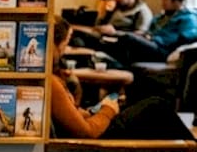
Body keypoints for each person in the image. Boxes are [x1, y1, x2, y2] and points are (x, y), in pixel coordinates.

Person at [49, 17, 191, 141]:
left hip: (96, 127)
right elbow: (87, 133)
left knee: (139, 105)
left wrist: (96, 111)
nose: (66, 48)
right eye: (66, 42)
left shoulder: (53, 79)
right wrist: (107, 110)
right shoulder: (52, 84)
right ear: (58, 44)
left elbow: (72, 115)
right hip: (95, 139)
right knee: (156, 107)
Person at [97, 0, 197, 66]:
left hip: (162, 49)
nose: (162, 3)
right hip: (151, 43)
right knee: (108, 42)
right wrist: (146, 36)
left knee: (128, 38)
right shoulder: (161, 17)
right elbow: (149, 31)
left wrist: (157, 39)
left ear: (176, 2)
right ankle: (111, 65)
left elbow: (190, 35)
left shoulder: (188, 18)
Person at [71, 0, 152, 52]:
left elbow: (140, 37)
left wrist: (115, 32)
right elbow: (98, 25)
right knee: (72, 32)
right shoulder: (118, 6)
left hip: (120, 44)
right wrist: (105, 12)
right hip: (103, 37)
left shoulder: (142, 11)